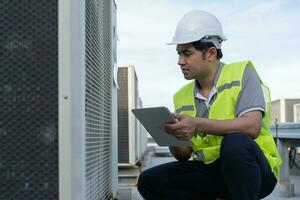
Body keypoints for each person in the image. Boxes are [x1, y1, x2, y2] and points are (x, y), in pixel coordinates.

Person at [137, 10, 282, 200]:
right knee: (149, 181)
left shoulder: (242, 73)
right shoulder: (182, 96)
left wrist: (197, 124)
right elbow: (184, 156)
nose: (180, 61)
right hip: (213, 172)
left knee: (235, 142)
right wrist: (172, 136)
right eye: (179, 53)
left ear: (211, 52)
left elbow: (252, 126)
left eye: (187, 53)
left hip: (254, 170)